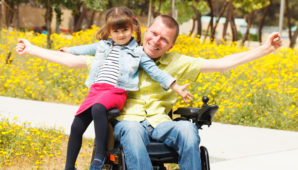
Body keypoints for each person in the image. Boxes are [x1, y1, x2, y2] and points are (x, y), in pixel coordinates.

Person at [17, 13, 282, 170]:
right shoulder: (118, 53)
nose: (156, 41)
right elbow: (72, 60)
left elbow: (222, 64)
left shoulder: (178, 63)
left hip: (161, 123)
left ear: (171, 44)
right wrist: (31, 48)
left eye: (164, 39)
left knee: (188, 129)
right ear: (145, 31)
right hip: (129, 123)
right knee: (131, 129)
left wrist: (266, 49)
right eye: (153, 33)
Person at [16, 7, 192, 170]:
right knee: (76, 125)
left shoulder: (138, 53)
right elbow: (82, 50)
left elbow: (155, 72)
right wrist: (64, 49)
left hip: (116, 92)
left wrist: (175, 86)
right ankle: (69, 166)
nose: (121, 35)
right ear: (109, 31)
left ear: (132, 29)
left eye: (125, 30)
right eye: (116, 31)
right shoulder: (103, 46)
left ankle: (100, 154)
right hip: (97, 91)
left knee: (99, 108)